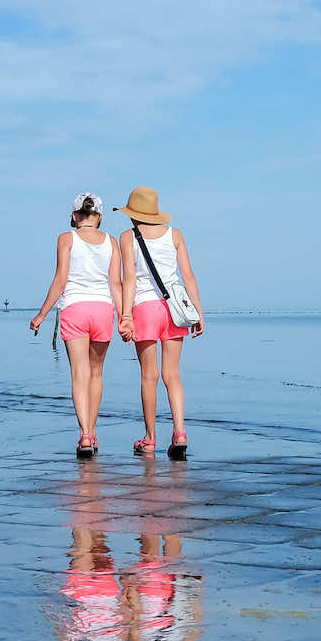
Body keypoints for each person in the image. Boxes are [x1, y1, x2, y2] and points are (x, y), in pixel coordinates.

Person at [29, 193, 124, 457]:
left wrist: (41, 315)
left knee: (79, 375)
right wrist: (125, 316)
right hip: (103, 310)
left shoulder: (66, 239)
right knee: (96, 374)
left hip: (75, 309)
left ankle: (84, 435)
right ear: (100, 217)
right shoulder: (111, 242)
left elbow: (60, 281)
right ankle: (93, 432)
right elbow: (116, 284)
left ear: (74, 215)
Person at [115, 186, 205, 459]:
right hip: (174, 310)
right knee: (172, 374)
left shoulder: (127, 237)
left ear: (132, 214)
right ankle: (179, 432)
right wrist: (198, 312)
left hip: (144, 308)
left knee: (148, 376)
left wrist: (126, 315)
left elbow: (129, 279)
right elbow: (187, 275)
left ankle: (150, 438)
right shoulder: (175, 235)